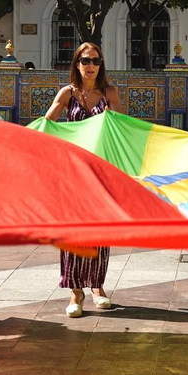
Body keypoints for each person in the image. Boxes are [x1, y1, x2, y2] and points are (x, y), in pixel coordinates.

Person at [44, 41, 121, 318]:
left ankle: (97, 287)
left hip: (100, 170)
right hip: (73, 171)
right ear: (77, 63)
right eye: (86, 60)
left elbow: (119, 128)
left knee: (100, 231)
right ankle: (75, 291)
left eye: (96, 61)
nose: (91, 66)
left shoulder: (109, 93)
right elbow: (47, 124)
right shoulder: (67, 93)